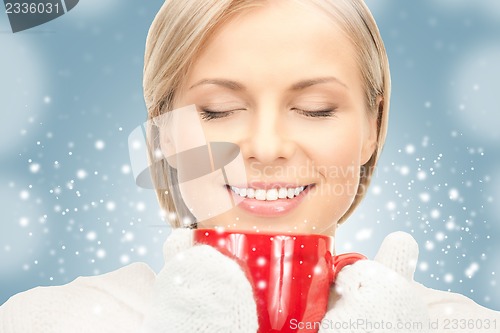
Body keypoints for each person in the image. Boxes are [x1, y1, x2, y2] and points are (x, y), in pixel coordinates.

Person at [1, 0, 499, 332]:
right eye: (217, 110)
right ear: (163, 134)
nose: (265, 147)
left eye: (315, 108)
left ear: (374, 124)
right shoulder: (52, 321)